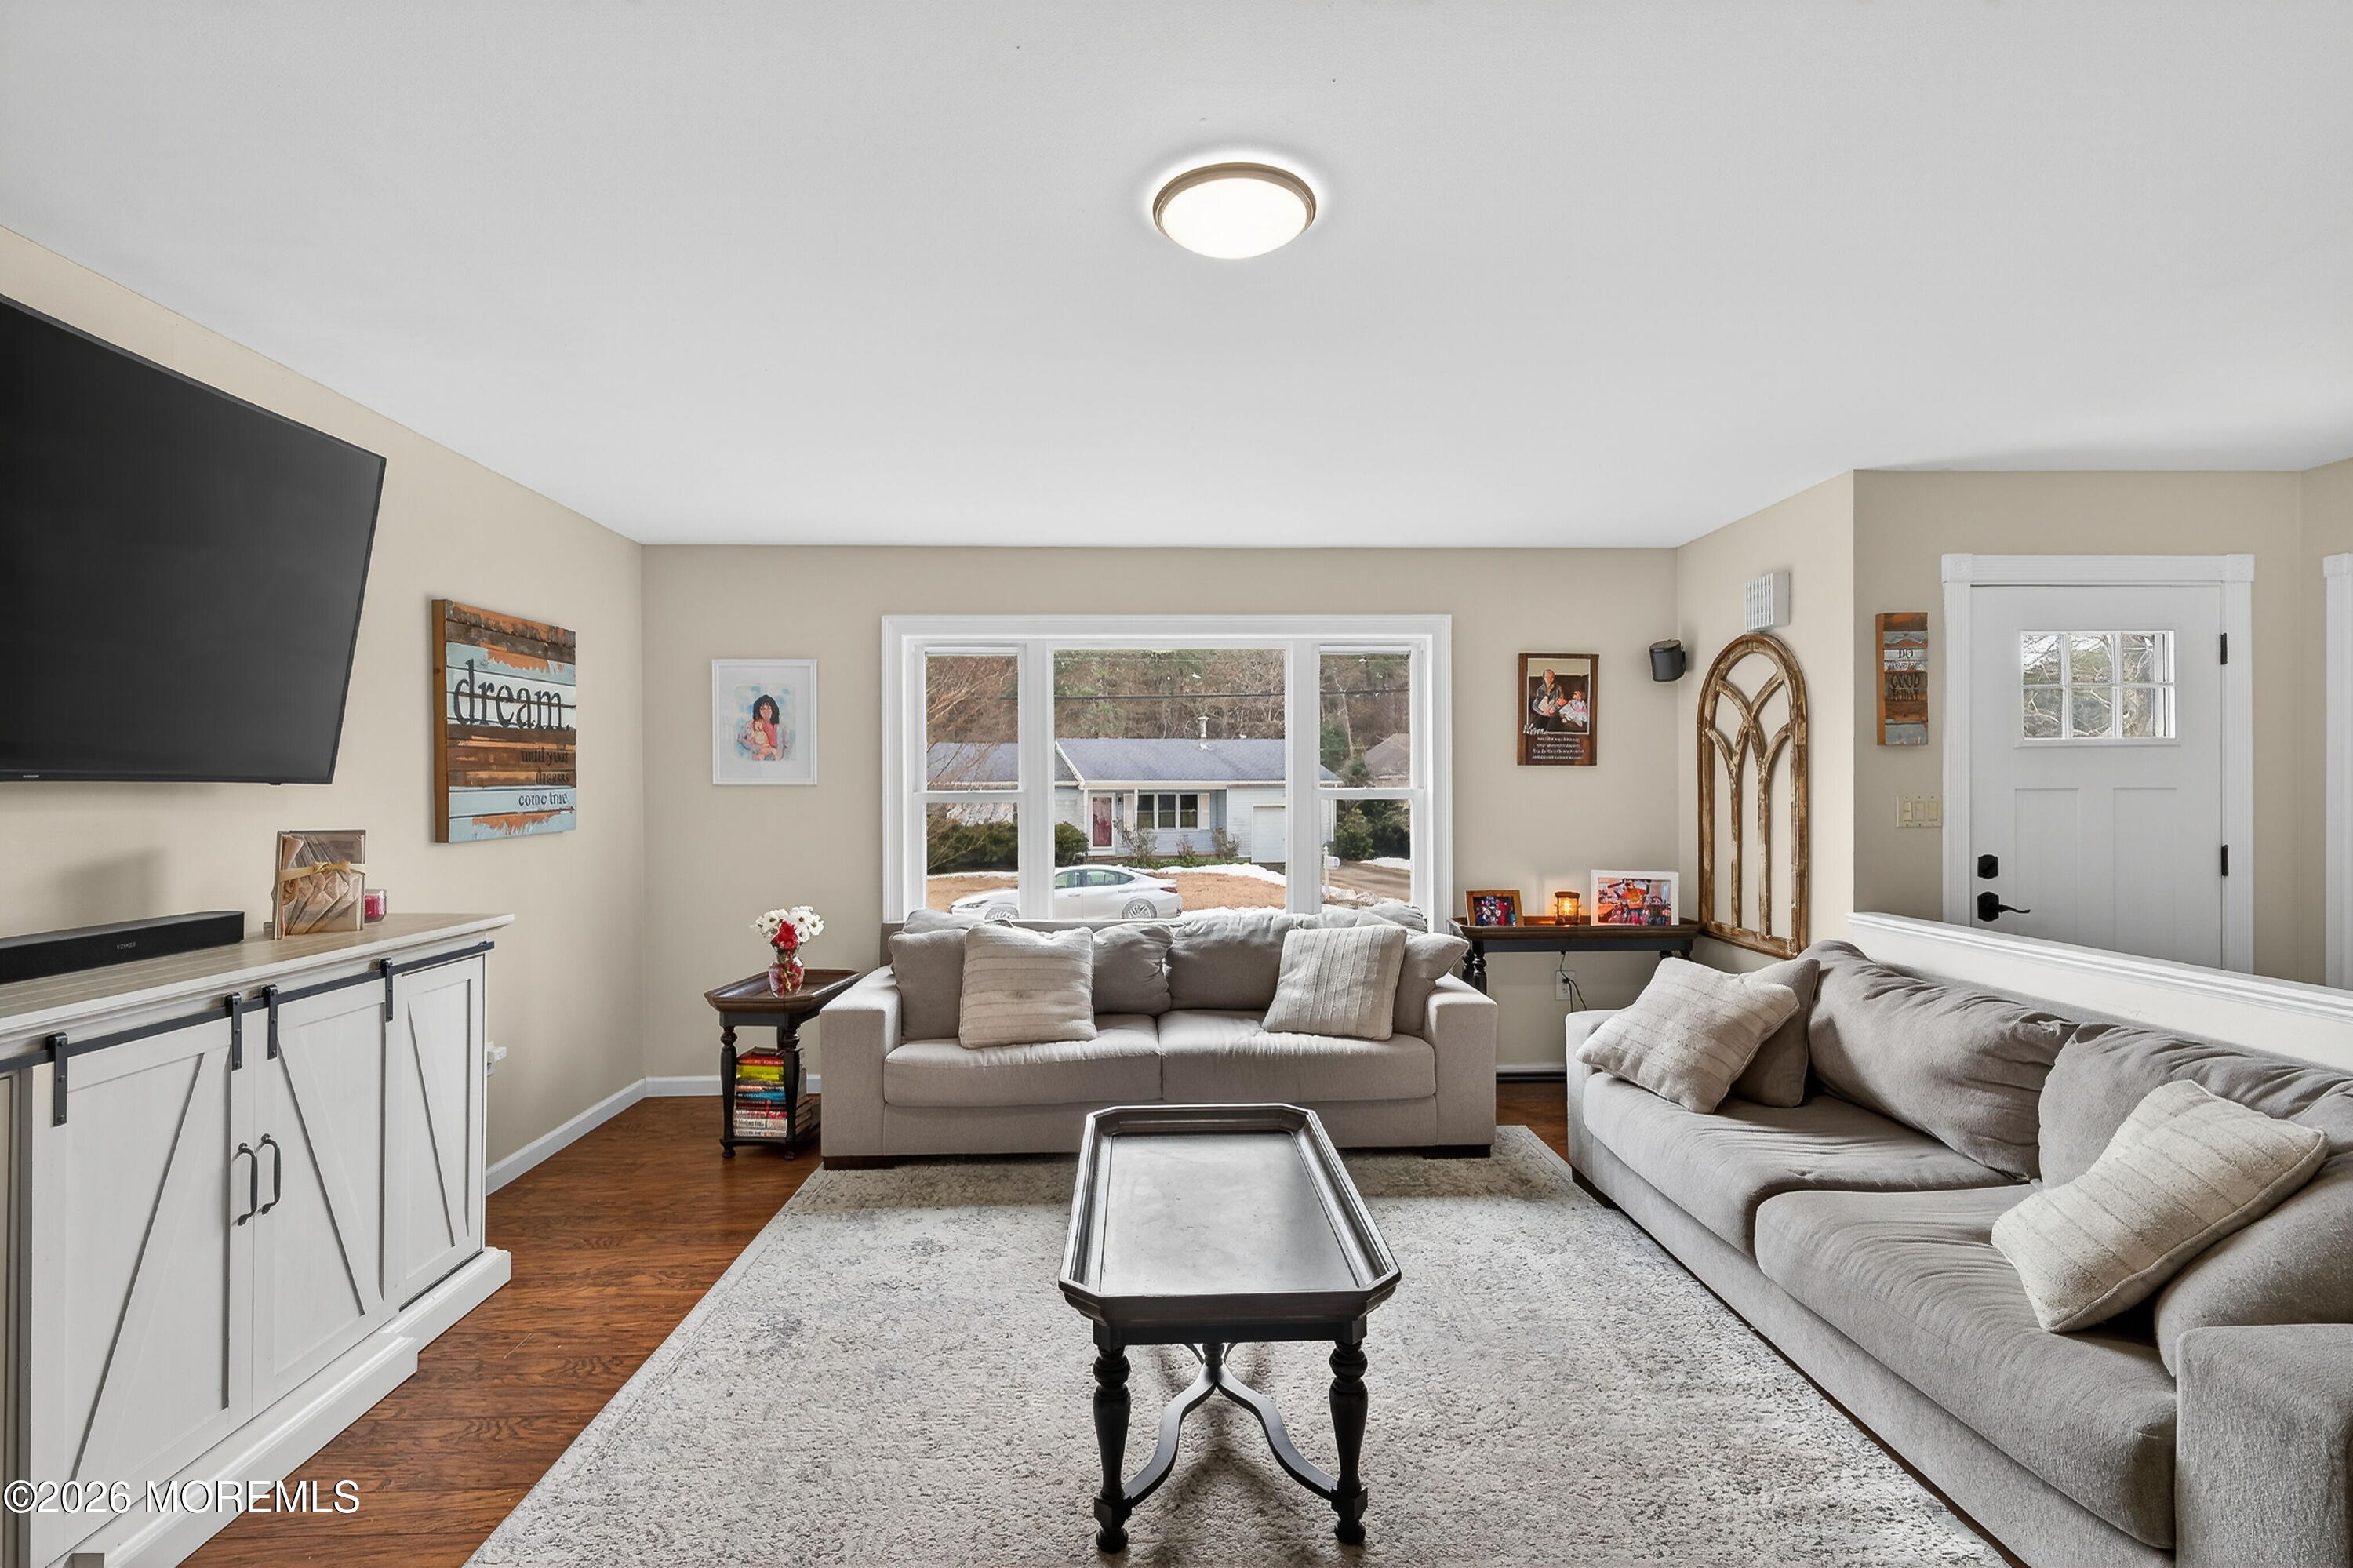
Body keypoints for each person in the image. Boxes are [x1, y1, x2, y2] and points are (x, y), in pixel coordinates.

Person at [737, 693, 786, 761]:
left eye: (769, 708)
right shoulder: (752, 723)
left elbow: (785, 749)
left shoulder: (781, 727)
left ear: (773, 709)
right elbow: (740, 738)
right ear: (758, 711)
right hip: (759, 757)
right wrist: (756, 747)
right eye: (762, 709)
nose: (765, 712)